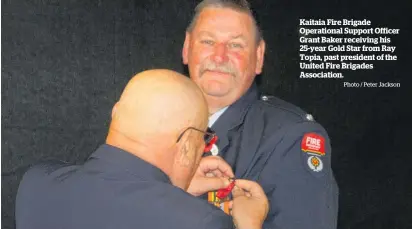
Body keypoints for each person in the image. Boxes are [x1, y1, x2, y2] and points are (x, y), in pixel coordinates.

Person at [15, 69, 269, 229]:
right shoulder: (201, 221)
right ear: (185, 148)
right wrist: (248, 224)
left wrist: (172, 189)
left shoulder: (37, 182)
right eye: (203, 139)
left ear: (116, 113)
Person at [182, 1, 339, 228]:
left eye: (235, 45)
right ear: (187, 48)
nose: (219, 56)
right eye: (208, 41)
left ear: (259, 56)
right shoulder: (152, 124)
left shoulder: (290, 138)